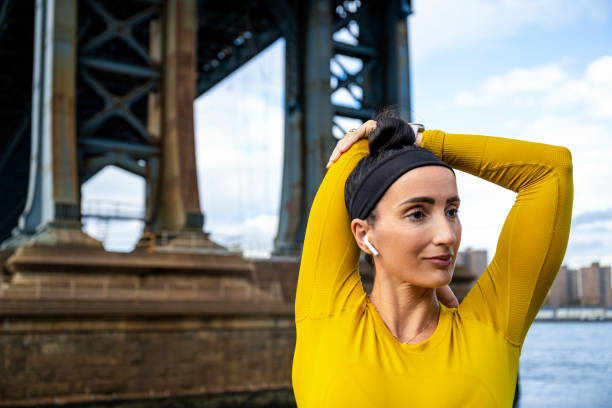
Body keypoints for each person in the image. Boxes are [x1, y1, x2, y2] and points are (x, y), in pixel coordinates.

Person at [291, 115, 573, 407]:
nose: (447, 235)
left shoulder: (491, 330)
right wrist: (371, 137)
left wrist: (419, 138)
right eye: (417, 213)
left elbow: (553, 170)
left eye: (451, 211)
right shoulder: (327, 316)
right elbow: (348, 154)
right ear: (364, 234)